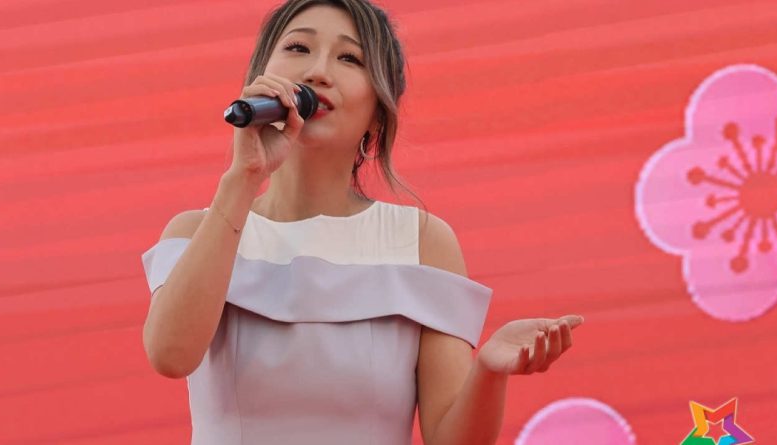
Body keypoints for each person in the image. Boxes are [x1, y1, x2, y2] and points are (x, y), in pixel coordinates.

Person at [140, 1, 584, 444]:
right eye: (298, 48)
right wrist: (243, 177)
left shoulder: (421, 241)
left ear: (378, 113)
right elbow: (171, 355)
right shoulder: (195, 233)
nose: (318, 72)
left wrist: (488, 370)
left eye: (349, 58)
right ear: (259, 78)